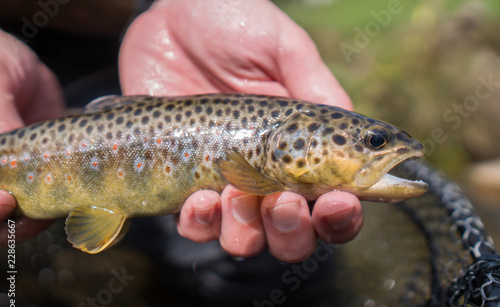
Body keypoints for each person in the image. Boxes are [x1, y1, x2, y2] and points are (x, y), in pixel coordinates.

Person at [0, 0, 363, 263]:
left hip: (134, 22)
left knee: (256, 262)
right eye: (373, 142)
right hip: (22, 39)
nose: (375, 148)